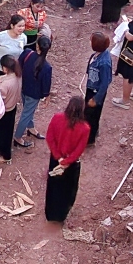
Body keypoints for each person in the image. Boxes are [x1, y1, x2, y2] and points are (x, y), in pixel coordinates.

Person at [43, 96, 91, 227]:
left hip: (55, 159)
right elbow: (79, 150)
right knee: (68, 189)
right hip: (71, 164)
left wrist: (58, 157)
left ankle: (50, 213)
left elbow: (50, 137)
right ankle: (61, 215)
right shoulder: (85, 128)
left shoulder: (57, 118)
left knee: (53, 186)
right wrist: (67, 162)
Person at [15, 34, 53, 147]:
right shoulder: (46, 67)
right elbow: (46, 84)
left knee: (28, 111)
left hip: (24, 88)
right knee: (26, 114)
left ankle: (30, 128)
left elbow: (19, 65)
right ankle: (17, 136)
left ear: (37, 46)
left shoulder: (27, 53)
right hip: (35, 94)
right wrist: (47, 95)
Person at [83, 32, 112, 145]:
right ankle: (92, 132)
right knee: (89, 113)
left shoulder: (104, 63)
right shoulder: (97, 55)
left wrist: (96, 99)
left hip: (96, 92)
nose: (89, 42)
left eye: (91, 41)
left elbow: (105, 83)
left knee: (92, 116)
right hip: (91, 88)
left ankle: (89, 140)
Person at [0, 54, 21, 162]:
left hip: (4, 110)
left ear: (5, 68)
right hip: (12, 107)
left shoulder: (4, 86)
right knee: (8, 132)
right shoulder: (18, 76)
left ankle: (5, 155)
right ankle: (2, 150)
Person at [0, 14, 27, 78]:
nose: (21, 28)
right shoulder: (0, 37)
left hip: (13, 70)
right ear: (12, 26)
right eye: (19, 26)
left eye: (23, 26)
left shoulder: (23, 37)